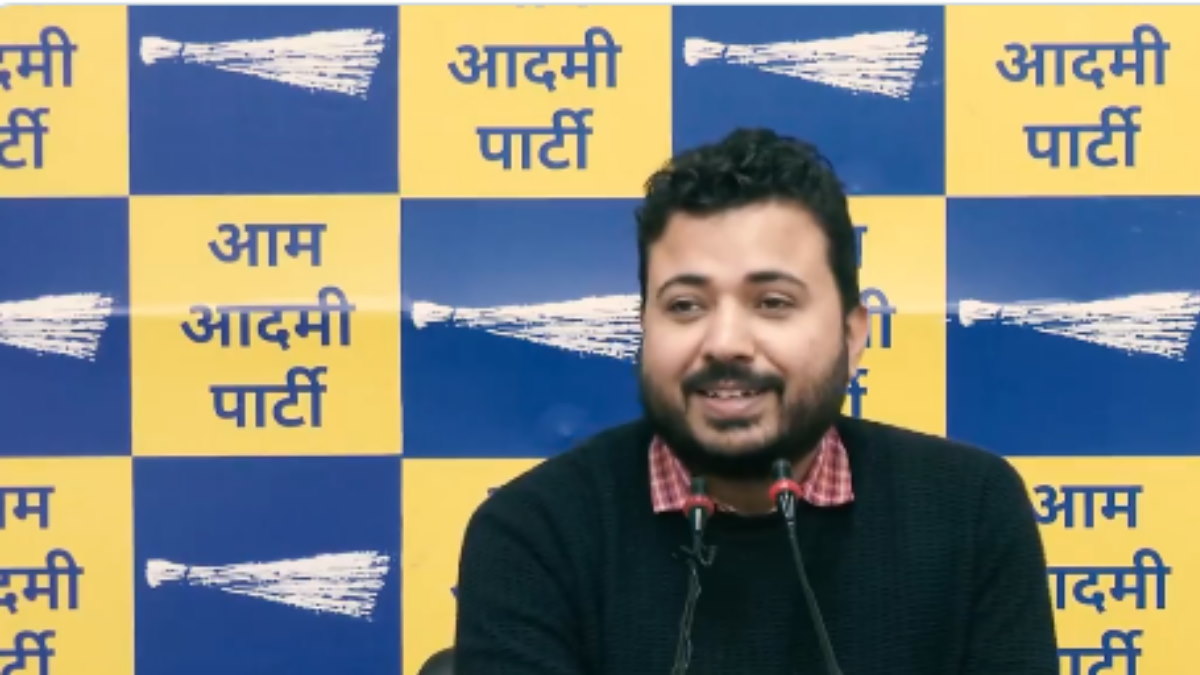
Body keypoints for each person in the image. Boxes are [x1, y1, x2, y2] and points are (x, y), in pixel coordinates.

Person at [453, 128, 1059, 674]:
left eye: (772, 303)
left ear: (852, 335)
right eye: (685, 306)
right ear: (644, 329)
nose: (725, 343)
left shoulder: (971, 509)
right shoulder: (534, 532)